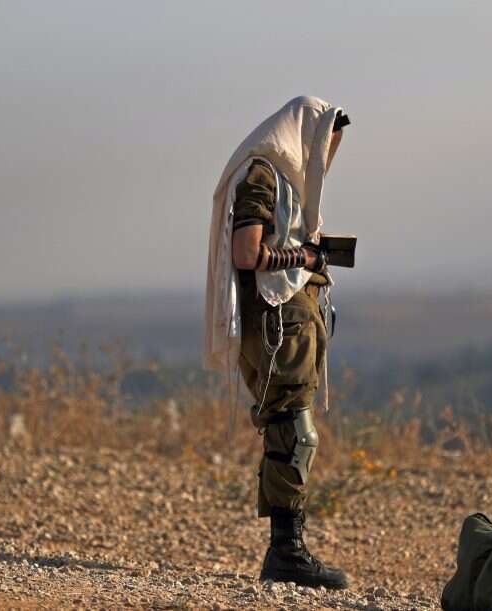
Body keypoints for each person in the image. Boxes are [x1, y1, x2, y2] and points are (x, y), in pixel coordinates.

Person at [203, 96, 351, 589]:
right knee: (293, 433)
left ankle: (287, 550)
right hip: (274, 327)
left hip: (288, 326)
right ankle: (286, 553)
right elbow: (248, 253)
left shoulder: (280, 178)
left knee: (291, 432)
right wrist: (304, 259)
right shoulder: (262, 174)